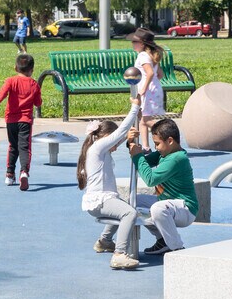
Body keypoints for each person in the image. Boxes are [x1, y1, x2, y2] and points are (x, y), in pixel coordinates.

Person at [77, 96, 141, 270]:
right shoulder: (97, 148)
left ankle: (104, 241)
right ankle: (119, 254)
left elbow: (120, 137)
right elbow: (119, 134)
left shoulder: (97, 149)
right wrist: (134, 108)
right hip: (99, 200)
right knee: (129, 213)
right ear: (105, 137)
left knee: (120, 207)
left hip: (100, 199)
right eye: (113, 141)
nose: (116, 145)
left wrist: (136, 122)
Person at [127, 119, 198, 255]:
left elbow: (150, 179)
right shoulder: (164, 154)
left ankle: (177, 248)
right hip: (169, 204)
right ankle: (163, 241)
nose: (156, 148)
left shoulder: (177, 159)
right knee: (135, 201)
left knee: (157, 209)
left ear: (170, 141)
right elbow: (142, 162)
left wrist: (138, 156)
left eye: (157, 144)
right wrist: (130, 144)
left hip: (186, 209)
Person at [0, 54, 42, 191]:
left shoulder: (10, 81)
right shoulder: (34, 84)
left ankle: (9, 174)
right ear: (32, 70)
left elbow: (1, 95)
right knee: (24, 148)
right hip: (25, 121)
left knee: (13, 146)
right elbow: (38, 103)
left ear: (15, 67)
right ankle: (24, 172)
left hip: (11, 120)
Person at [127, 28, 165, 150]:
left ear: (142, 44)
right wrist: (154, 86)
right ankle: (146, 147)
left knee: (147, 120)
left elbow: (150, 73)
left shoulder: (143, 56)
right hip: (154, 90)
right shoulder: (151, 56)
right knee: (143, 119)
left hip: (147, 91)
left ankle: (168, 133)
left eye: (134, 42)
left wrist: (144, 88)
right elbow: (160, 74)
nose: (132, 44)